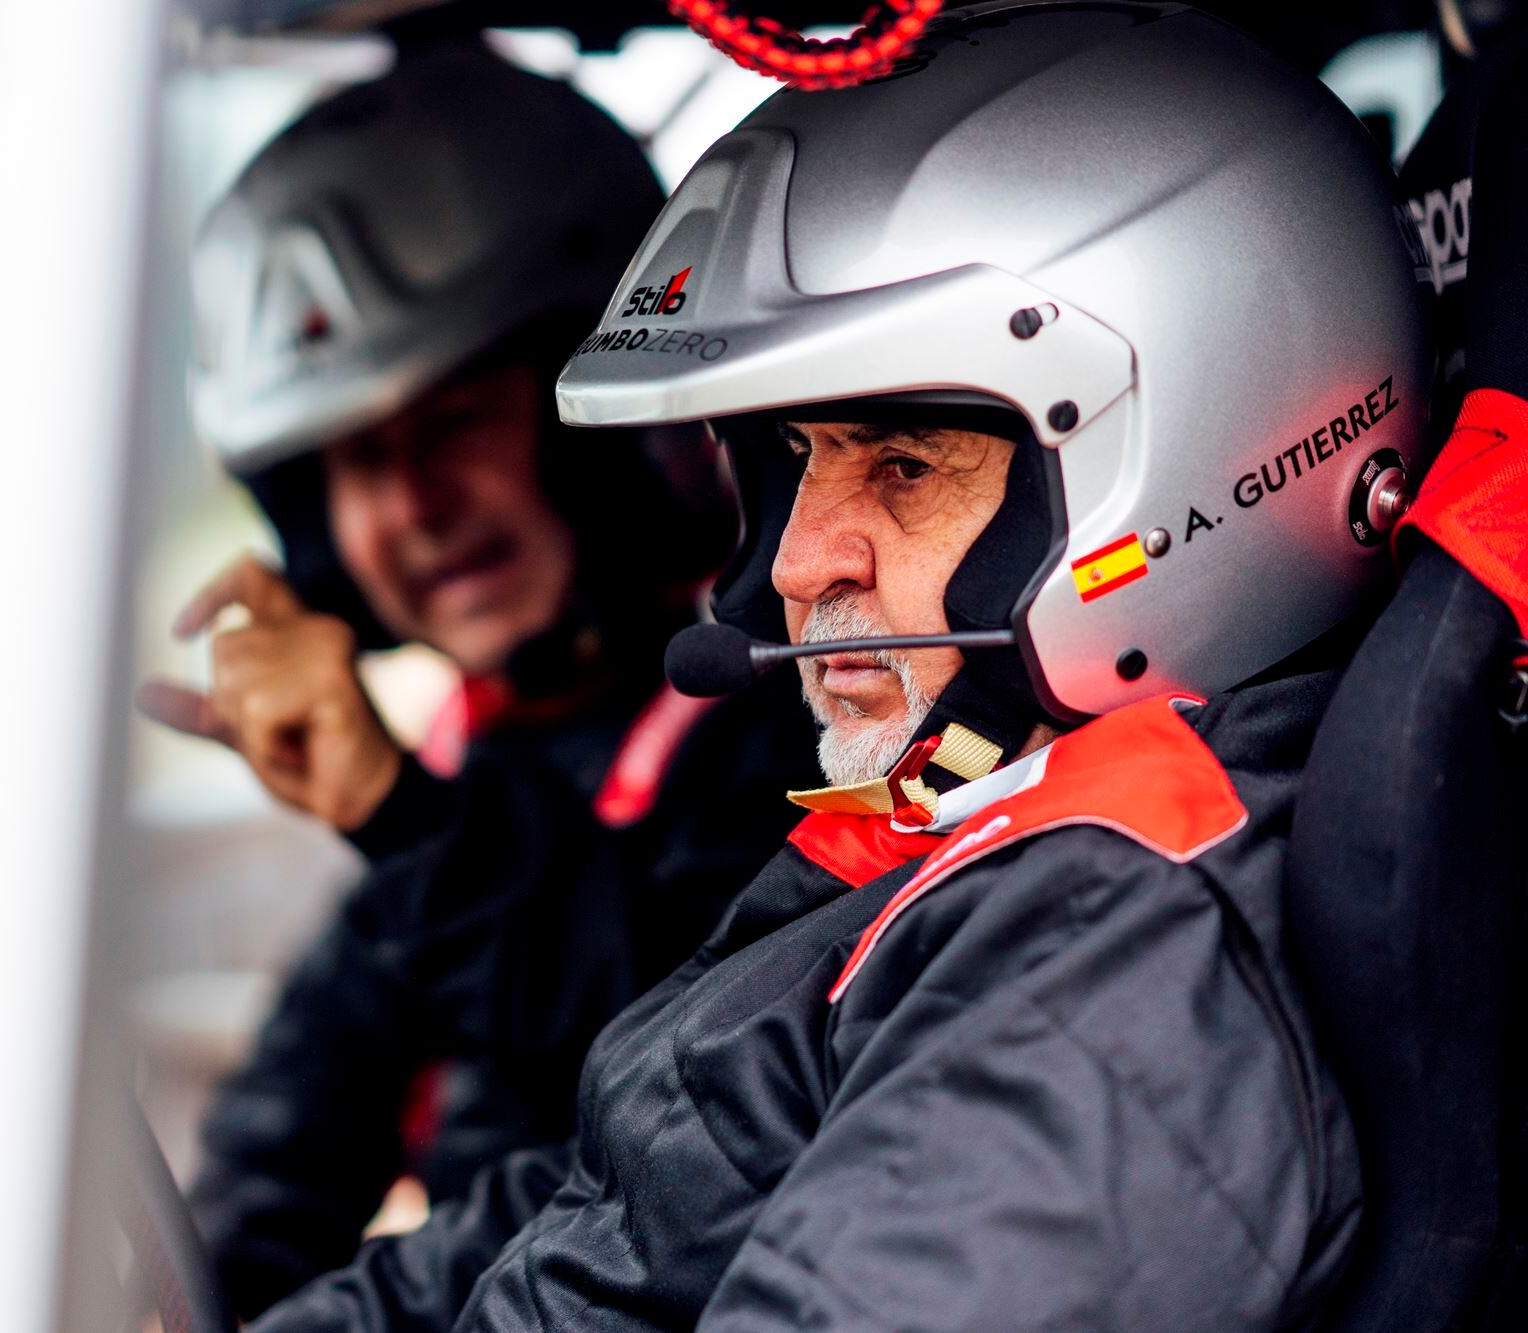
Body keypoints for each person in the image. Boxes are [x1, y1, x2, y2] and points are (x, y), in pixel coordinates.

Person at [249, 3, 1431, 1327]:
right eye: (798, 460)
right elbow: (617, 1191)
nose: (805, 563)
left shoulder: (1113, 967)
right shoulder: (946, 830)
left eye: (905, 466)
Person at [142, 40, 821, 1318]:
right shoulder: (490, 752)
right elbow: (295, 1120)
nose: (413, 512)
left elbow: (663, 1075)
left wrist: (397, 815)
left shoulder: (795, 710)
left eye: (453, 423)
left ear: (613, 420)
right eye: (350, 465)